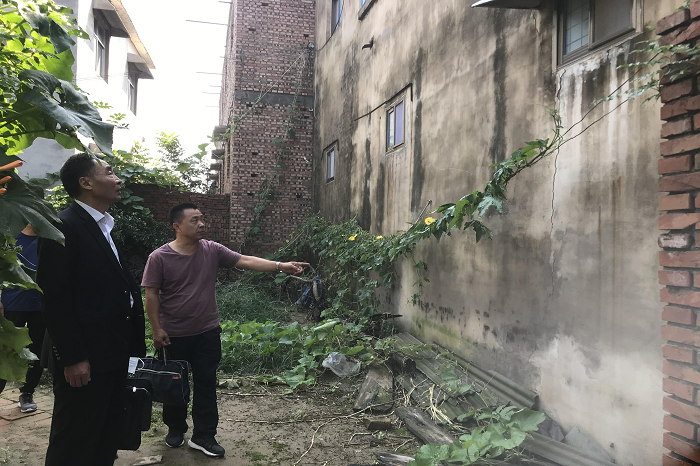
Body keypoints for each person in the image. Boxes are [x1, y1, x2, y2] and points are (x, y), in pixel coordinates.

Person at [141, 203, 308, 457]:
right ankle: (175, 428)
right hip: (173, 334)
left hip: (207, 332)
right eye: (194, 220)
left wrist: (279, 265)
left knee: (206, 384)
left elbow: (245, 260)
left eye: (202, 219)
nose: (202, 224)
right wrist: (156, 328)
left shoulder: (212, 249)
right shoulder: (159, 257)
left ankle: (204, 436)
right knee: (175, 383)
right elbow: (151, 294)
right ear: (177, 226)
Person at [37, 153, 146, 466]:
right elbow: (55, 298)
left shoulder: (102, 226)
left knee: (105, 435)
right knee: (74, 439)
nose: (117, 179)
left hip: (112, 352)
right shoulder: (63, 225)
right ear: (86, 182)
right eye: (109, 172)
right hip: (86, 358)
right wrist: (73, 357)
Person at [0, 224, 45, 413]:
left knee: (37, 351)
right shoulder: (9, 239)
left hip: (41, 306)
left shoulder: (48, 240)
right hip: (12, 303)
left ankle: (27, 393)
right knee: (5, 350)